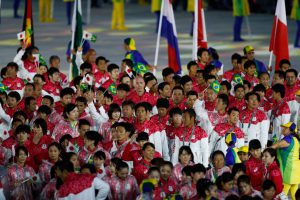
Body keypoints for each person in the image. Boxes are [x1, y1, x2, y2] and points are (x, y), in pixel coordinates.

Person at [271, 122, 300, 200]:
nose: (283, 129)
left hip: (288, 172)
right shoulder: (296, 139)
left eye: (285, 128)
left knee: (281, 196)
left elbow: (274, 147)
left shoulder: (288, 139)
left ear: (291, 130)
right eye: (283, 127)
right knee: (295, 196)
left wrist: (264, 152)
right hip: (296, 172)